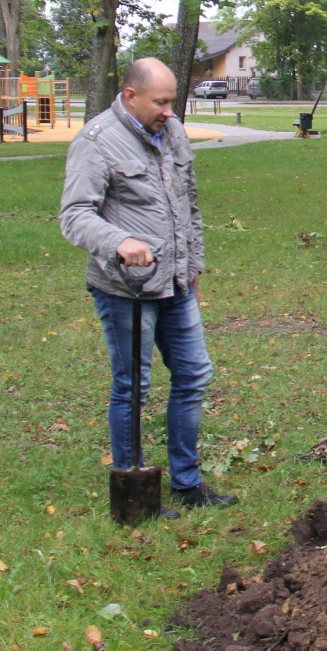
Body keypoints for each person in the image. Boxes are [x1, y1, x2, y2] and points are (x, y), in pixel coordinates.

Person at [59, 57, 237, 513]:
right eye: (161, 101)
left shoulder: (171, 131)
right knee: (132, 385)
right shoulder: (96, 143)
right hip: (125, 289)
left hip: (176, 283)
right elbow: (75, 216)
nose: (170, 111)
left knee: (194, 374)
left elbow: (189, 204)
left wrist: (192, 266)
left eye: (172, 100)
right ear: (130, 95)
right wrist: (119, 241)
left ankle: (186, 483)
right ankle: (134, 489)